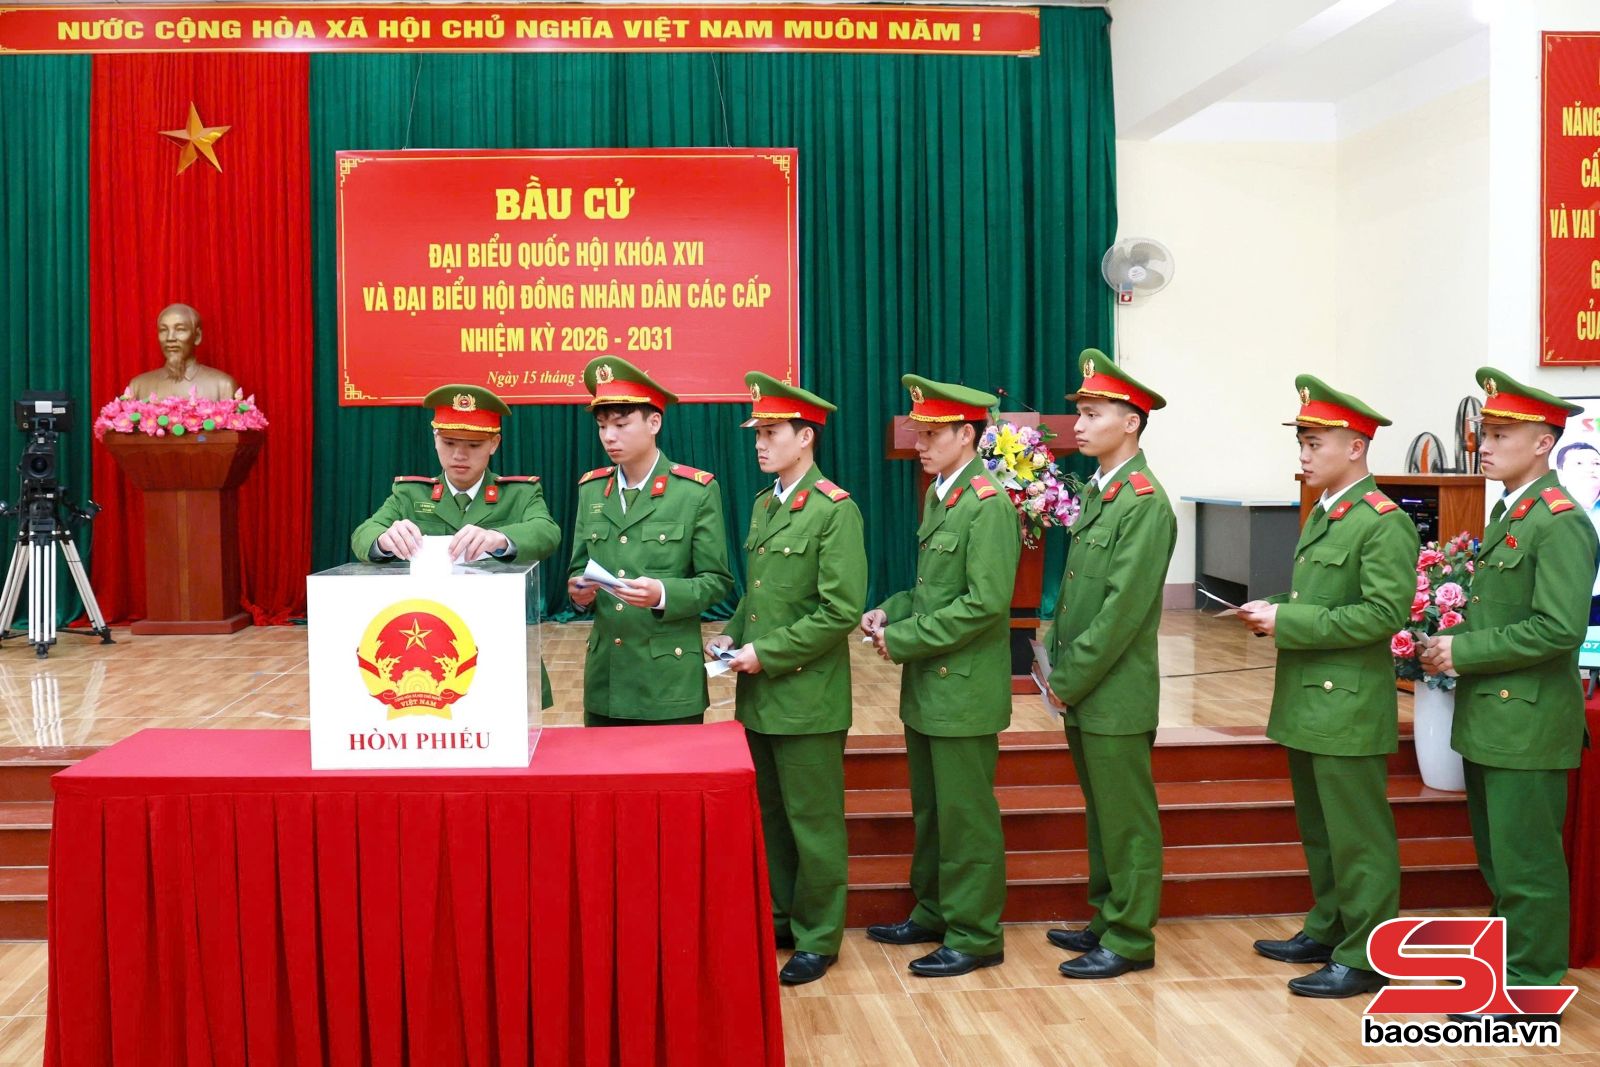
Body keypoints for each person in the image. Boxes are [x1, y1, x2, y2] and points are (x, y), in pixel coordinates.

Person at [1421, 367, 1598, 1025]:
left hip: (1527, 721)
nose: (1483, 446)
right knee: (1501, 860)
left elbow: (1558, 629)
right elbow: (1502, 613)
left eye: (1500, 434)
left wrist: (1464, 653)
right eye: (1484, 433)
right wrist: (1453, 639)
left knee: (1528, 866)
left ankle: (1531, 989)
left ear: (1544, 442)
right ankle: (1507, 970)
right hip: (1494, 718)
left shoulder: (1558, 521)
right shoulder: (1511, 512)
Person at [1237, 376, 1417, 999]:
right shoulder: (1329, 511)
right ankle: (1329, 926)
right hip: (1310, 697)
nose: (1304, 455)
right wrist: (1275, 608)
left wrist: (1289, 621)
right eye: (1302, 444)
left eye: (1315, 444)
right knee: (1320, 829)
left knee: (1358, 835)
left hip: (1348, 702)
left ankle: (1367, 954)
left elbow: (1382, 615)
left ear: (1356, 447)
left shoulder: (1382, 521)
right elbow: (1323, 598)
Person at [707, 372, 866, 985]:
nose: (759, 443)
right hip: (760, 694)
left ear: (806, 437)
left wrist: (765, 653)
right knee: (770, 818)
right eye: (757, 433)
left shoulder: (834, 510)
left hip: (806, 697)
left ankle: (819, 936)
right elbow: (760, 596)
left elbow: (839, 611)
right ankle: (778, 918)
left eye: (771, 432)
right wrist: (731, 635)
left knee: (813, 823)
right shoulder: (765, 504)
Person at [861, 375, 1019, 978]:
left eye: (932, 434)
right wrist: (890, 610)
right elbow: (932, 591)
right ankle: (932, 911)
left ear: (967, 435)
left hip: (964, 689)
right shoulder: (943, 495)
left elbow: (985, 604)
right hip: (932, 686)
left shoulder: (987, 504)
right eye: (918, 432)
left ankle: (975, 933)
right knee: (931, 811)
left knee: (965, 817)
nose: (919, 444)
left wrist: (903, 639)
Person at [1042, 349, 1176, 980]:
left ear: (1131, 422)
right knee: (1102, 811)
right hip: (1087, 685)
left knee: (1126, 817)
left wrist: (1066, 680)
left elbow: (1122, 611)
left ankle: (1129, 936)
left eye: (1094, 414)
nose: (1080, 424)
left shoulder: (1143, 502)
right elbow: (1078, 596)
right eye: (1081, 413)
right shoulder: (1103, 492)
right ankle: (1107, 916)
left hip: (1113, 689)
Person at [351, 383, 562, 705]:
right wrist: (383, 539)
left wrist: (499, 538)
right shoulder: (410, 495)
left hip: (499, 639)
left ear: (494, 443)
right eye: (449, 443)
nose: (459, 455)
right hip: (427, 643)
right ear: (435, 439)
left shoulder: (519, 494)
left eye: (473, 445)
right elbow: (363, 534)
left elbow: (547, 532)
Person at [567, 356, 733, 726]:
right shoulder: (592, 490)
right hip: (607, 680)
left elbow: (716, 581)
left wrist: (662, 594)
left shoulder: (694, 492)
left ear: (654, 423)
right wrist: (578, 592)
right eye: (602, 426)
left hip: (667, 682)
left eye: (621, 424)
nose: (609, 436)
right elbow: (579, 566)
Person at [125, 303, 239, 401]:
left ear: (197, 336)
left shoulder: (223, 386)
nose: (170, 338)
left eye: (180, 329)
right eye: (163, 330)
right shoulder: (138, 386)